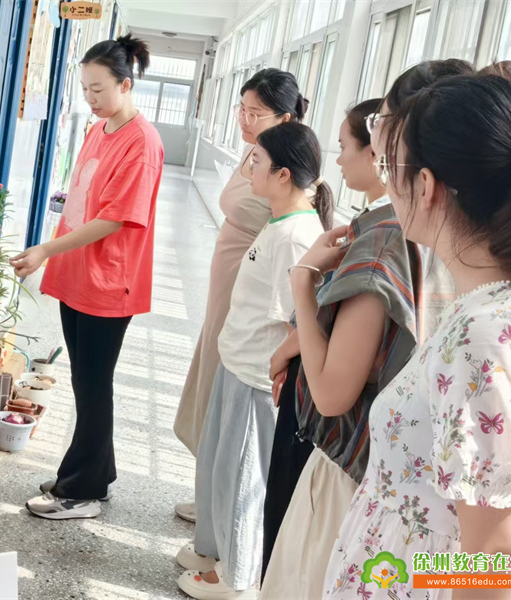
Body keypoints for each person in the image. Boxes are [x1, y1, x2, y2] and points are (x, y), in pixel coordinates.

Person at [261, 60, 476, 599]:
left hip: (372, 514)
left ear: (421, 177)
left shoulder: (491, 324)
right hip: (392, 540)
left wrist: (303, 284)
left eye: (382, 122)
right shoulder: (478, 279)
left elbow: (502, 561)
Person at [323, 73, 511, 600]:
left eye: (390, 167)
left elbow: (498, 559)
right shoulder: (488, 311)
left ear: (425, 185)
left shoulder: (484, 336)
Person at [10, 35, 164, 520]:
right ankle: (97, 470)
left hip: (107, 281)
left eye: (98, 89)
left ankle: (83, 490)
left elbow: (114, 219)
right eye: (84, 88)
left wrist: (45, 250)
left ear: (126, 84)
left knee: (94, 384)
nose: (89, 98)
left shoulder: (142, 143)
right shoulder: (100, 129)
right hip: (78, 274)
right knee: (85, 380)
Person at [177, 122, 331, 600]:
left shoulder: (297, 236)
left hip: (255, 376)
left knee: (242, 478)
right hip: (237, 362)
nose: (249, 170)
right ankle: (214, 551)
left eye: (257, 162)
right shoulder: (280, 219)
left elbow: (302, 321)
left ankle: (237, 576)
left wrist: (276, 365)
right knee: (218, 468)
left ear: (283, 174)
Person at [257, 97, 385, 583]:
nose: (340, 157)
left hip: (345, 450)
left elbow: (499, 567)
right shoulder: (377, 230)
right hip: (354, 456)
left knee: (297, 555)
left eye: (346, 145)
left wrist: (302, 280)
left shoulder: (385, 242)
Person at [173, 68, 307, 523]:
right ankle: (209, 489)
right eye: (242, 110)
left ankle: (221, 502)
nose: (245, 120)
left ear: (285, 118)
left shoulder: (286, 165)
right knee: (211, 374)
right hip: (226, 283)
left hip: (247, 287)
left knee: (226, 384)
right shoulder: (256, 151)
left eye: (256, 113)